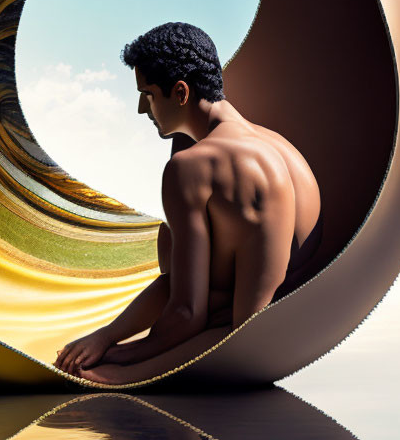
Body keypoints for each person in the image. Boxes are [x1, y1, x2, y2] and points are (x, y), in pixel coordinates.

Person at [53, 22, 322, 384]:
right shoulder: (281, 149)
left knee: (167, 242)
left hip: (236, 355)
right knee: (169, 236)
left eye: (147, 94)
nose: (140, 108)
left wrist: (120, 361)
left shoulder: (192, 167)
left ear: (180, 92)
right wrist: (107, 336)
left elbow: (189, 312)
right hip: (294, 340)